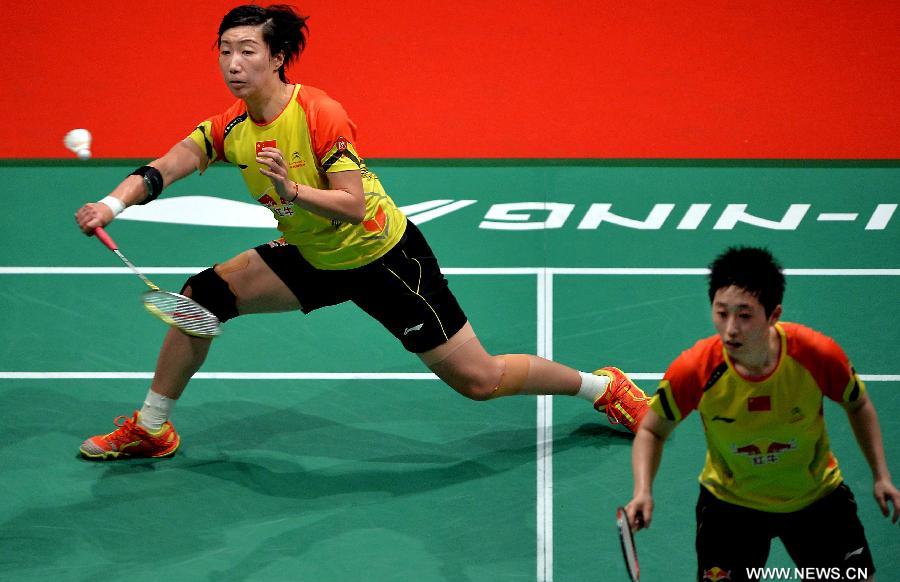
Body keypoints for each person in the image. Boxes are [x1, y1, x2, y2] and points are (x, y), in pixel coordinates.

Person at [74, 4, 650, 460]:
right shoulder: (232, 126)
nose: (232, 63)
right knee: (200, 300)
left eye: (247, 50)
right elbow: (171, 160)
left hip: (383, 258)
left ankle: (601, 388)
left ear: (277, 59)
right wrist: (112, 204)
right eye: (224, 50)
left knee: (479, 380)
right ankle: (151, 427)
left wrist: (292, 190)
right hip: (310, 255)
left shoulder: (320, 112)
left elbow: (350, 206)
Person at [625, 246, 899, 582]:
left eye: (744, 315)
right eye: (721, 313)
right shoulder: (696, 369)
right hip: (730, 509)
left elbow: (857, 404)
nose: (730, 330)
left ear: (774, 314)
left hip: (816, 500)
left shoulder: (815, 355)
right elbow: (651, 429)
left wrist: (881, 475)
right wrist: (643, 490)